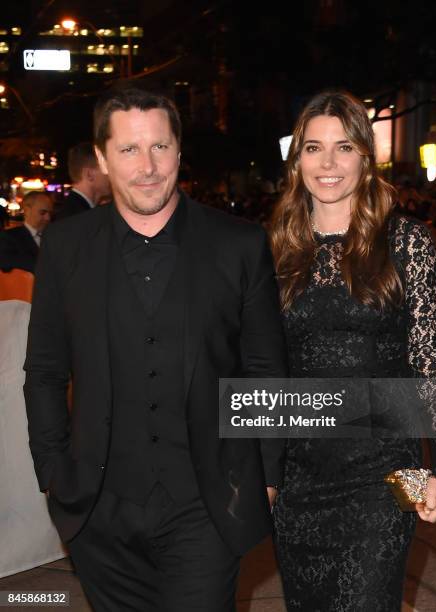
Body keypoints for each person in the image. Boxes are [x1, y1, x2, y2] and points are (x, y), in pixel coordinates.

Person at [24, 86, 286, 611]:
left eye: (160, 148)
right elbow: (46, 372)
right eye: (128, 150)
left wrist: (268, 475)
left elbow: (265, 370)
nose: (147, 166)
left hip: (207, 506)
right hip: (98, 510)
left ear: (179, 151)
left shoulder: (238, 243)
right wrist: (53, 473)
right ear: (101, 157)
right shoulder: (65, 247)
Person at [269, 90, 436, 611]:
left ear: (365, 158)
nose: (328, 163)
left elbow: (428, 359)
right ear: (297, 159)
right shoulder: (275, 247)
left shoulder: (405, 242)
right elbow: (263, 364)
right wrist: (259, 469)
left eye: (344, 147)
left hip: (386, 470)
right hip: (299, 475)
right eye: (313, 148)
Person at [55, 142, 111, 220]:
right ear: (89, 175)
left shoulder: (76, 210)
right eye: (105, 168)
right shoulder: (77, 217)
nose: (110, 174)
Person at [0, 191, 53, 272]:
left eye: (50, 213)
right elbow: (6, 263)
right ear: (27, 210)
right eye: (42, 213)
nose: (48, 218)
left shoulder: (55, 235)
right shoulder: (9, 237)